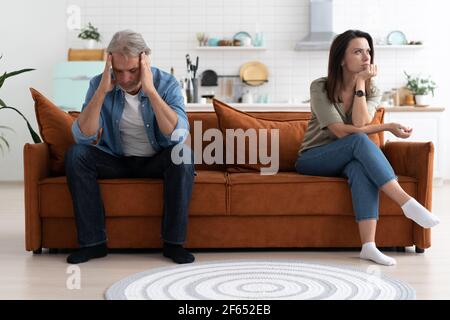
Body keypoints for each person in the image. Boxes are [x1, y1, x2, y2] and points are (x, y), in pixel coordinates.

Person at [295, 30, 440, 266]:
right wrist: (387, 126)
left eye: (368, 51)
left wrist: (360, 83)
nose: (366, 57)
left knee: (359, 169)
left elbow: (360, 123)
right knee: (358, 141)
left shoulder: (372, 90)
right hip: (313, 158)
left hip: (346, 159)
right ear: (341, 59)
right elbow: (341, 131)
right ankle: (407, 203)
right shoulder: (320, 87)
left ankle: (369, 246)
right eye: (358, 51)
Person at [65, 30, 195, 264]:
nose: (124, 79)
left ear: (145, 61)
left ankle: (174, 243)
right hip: (117, 160)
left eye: (132, 70)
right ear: (110, 63)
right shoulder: (99, 83)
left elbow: (178, 135)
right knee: (77, 155)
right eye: (118, 71)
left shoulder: (166, 84)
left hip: (156, 160)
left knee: (182, 154)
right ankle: (93, 243)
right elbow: (82, 137)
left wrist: (151, 91)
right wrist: (102, 91)